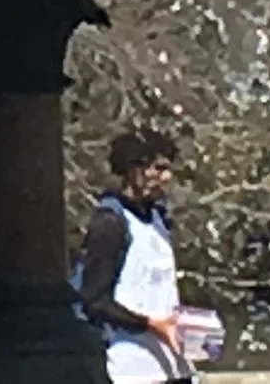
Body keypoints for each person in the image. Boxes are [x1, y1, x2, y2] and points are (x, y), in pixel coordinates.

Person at [78, 130, 189, 384]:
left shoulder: (159, 219)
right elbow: (95, 299)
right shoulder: (110, 222)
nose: (166, 177)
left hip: (172, 366)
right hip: (129, 368)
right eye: (158, 169)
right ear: (133, 170)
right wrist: (150, 324)